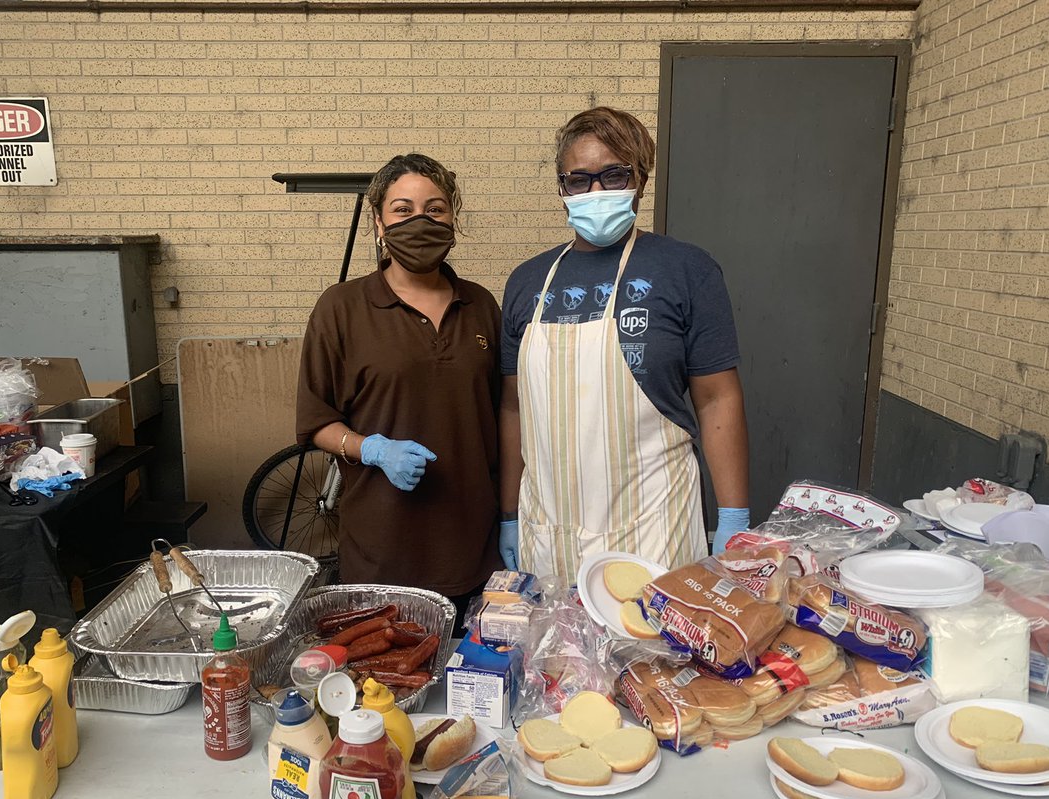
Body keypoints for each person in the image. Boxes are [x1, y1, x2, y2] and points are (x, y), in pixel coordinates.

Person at [498, 107, 750, 581]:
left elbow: (718, 398)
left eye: (614, 175)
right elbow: (514, 409)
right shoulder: (526, 282)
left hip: (654, 526)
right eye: (579, 180)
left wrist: (733, 515)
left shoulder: (686, 270)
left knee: (650, 652)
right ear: (562, 188)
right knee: (559, 653)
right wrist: (509, 513)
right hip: (549, 529)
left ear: (640, 179)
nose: (596, 191)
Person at [296, 153, 501, 625]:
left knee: (468, 686)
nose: (420, 221)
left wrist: (509, 516)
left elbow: (503, 414)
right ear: (378, 222)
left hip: (472, 544)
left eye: (435, 209)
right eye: (403, 210)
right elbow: (315, 421)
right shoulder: (342, 307)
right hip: (381, 546)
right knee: (381, 684)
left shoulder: (482, 305)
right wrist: (371, 448)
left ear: (453, 218)